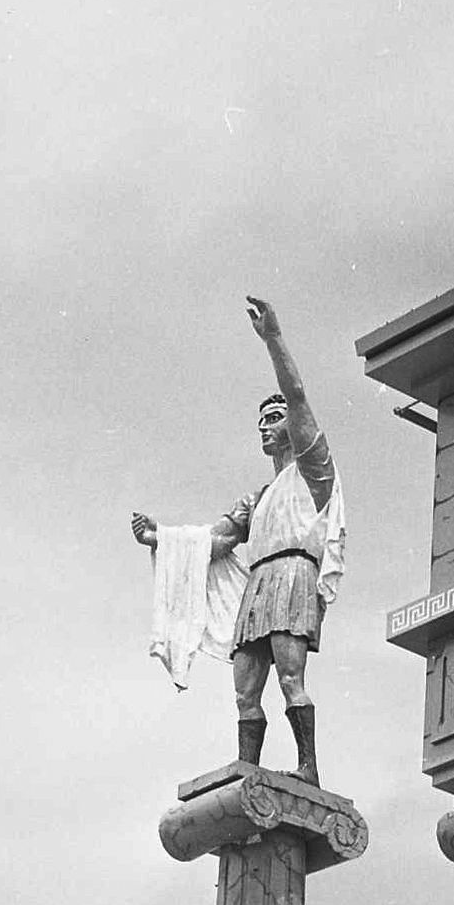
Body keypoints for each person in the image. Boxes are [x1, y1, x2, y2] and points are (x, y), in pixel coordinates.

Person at [131, 295, 342, 784]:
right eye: (261, 421)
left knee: (291, 678)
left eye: (274, 417)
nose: (266, 427)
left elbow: (297, 392)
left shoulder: (313, 470)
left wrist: (272, 338)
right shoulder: (261, 496)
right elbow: (219, 539)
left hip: (292, 575)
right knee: (246, 687)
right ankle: (248, 766)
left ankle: (308, 767)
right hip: (258, 586)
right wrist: (159, 537)